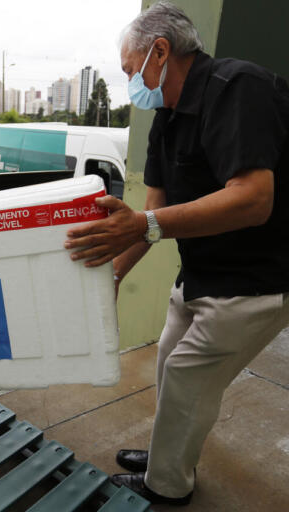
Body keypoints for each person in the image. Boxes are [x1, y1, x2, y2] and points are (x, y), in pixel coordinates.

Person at [64, 1, 289, 506]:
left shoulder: (240, 89)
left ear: (160, 51)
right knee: (168, 365)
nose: (131, 83)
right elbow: (149, 215)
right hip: (201, 273)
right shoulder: (167, 115)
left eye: (130, 69)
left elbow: (253, 198)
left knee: (189, 379)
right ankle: (171, 449)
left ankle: (167, 487)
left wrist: (144, 225)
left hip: (253, 281)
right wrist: (112, 278)